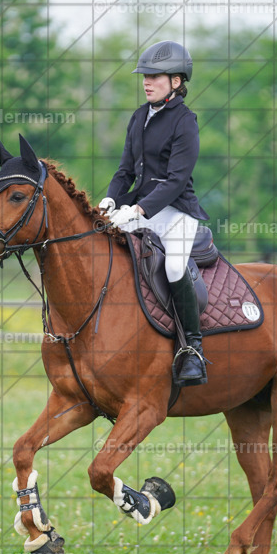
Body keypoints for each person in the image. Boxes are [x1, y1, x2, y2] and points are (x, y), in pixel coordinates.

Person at [100, 40, 210, 387]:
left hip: (177, 211)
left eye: (155, 76)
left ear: (176, 81)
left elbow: (177, 181)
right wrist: (109, 201)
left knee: (175, 265)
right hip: (140, 209)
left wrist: (138, 209)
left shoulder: (185, 121)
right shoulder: (138, 116)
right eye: (144, 76)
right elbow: (124, 171)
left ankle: (193, 349)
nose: (146, 82)